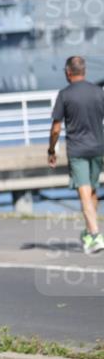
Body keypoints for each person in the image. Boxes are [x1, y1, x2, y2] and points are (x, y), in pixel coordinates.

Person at [48, 56, 104, 254]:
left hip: (78, 150)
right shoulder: (99, 92)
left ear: (68, 72)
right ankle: (90, 232)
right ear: (85, 71)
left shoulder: (64, 95)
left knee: (83, 191)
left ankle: (96, 235)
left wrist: (51, 150)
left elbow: (56, 128)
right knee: (92, 191)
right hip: (98, 148)